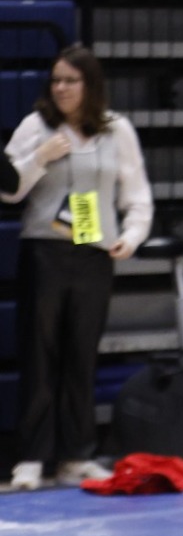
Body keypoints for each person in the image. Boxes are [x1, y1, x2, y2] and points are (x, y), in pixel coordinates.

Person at [2, 45, 151, 491]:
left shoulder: (116, 130)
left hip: (94, 252)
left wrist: (133, 234)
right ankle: (31, 457)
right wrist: (39, 157)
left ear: (90, 85)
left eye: (71, 80)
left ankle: (75, 455)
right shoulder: (36, 126)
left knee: (81, 355)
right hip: (46, 250)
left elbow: (137, 192)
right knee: (40, 352)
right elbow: (8, 190)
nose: (62, 88)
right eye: (56, 80)